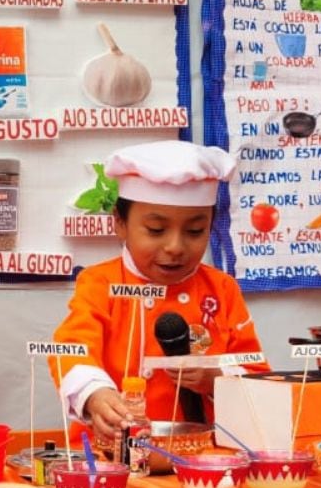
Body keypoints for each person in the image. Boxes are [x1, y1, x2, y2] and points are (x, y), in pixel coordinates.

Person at [51, 140, 266, 441]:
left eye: (194, 231)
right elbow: (73, 348)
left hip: (202, 452)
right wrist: (95, 394)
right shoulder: (100, 283)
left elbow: (257, 371)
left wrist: (217, 379)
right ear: (120, 223)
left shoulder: (222, 289)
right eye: (156, 230)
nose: (175, 247)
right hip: (111, 450)